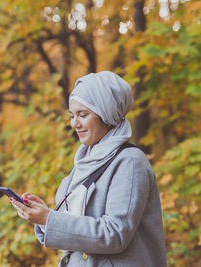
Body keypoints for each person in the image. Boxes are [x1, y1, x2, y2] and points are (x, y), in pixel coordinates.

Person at [10, 71, 167, 267]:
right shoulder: (85, 161)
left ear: (106, 114)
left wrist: (50, 219)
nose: (74, 124)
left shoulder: (130, 161)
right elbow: (77, 228)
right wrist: (44, 217)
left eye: (83, 115)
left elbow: (115, 234)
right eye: (72, 116)